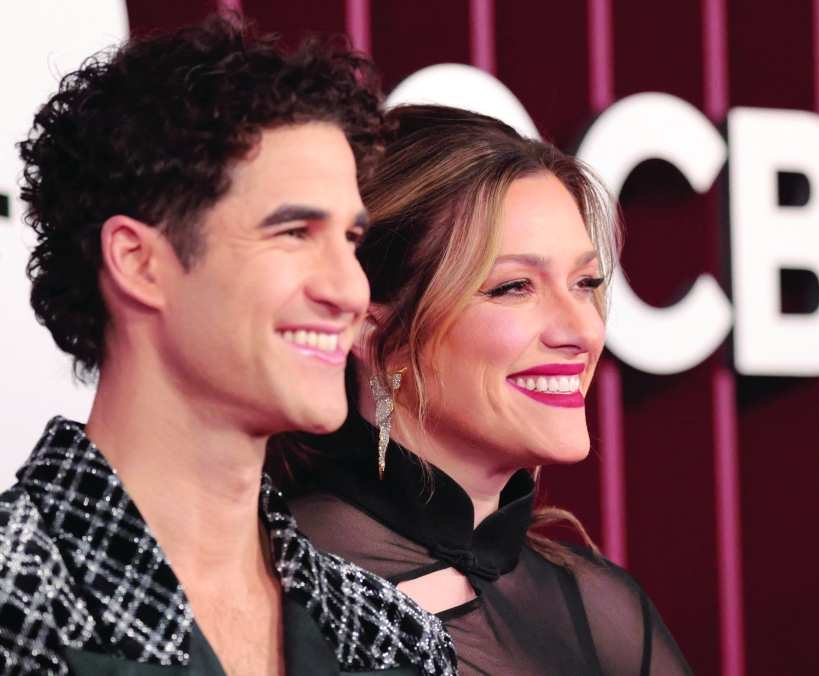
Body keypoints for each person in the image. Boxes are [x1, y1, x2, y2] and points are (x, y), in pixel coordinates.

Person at [0, 18, 457, 676]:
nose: (348, 290)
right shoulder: (18, 602)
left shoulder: (391, 634)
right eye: (295, 232)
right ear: (138, 262)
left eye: (351, 242)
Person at [279, 105, 693, 675]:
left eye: (586, 283)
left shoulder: (603, 608)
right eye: (515, 286)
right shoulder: (272, 586)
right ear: (371, 330)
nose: (582, 331)